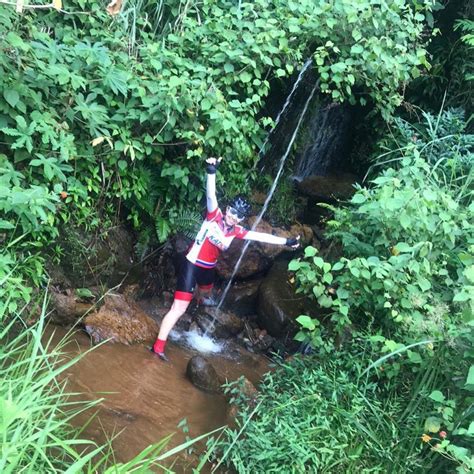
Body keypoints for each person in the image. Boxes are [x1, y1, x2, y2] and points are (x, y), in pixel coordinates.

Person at [152, 157, 300, 361]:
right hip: (192, 264)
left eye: (238, 215)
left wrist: (286, 241)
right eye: (231, 211)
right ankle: (158, 347)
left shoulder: (237, 231)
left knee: (205, 291)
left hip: (208, 268)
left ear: (241, 218)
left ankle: (197, 298)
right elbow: (211, 195)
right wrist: (211, 171)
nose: (232, 216)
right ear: (227, 208)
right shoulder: (214, 216)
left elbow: (260, 236)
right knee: (179, 308)